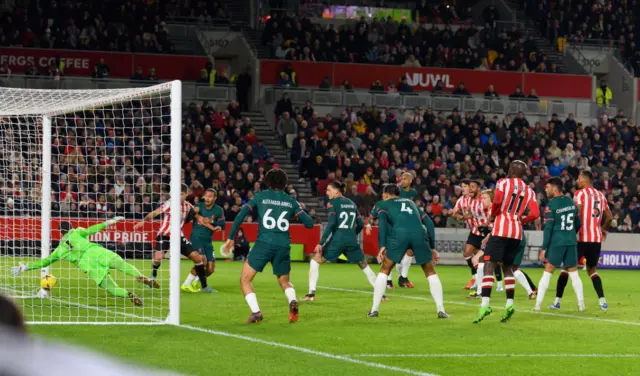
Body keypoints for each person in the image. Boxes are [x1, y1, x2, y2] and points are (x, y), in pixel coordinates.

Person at [224, 168, 314, 323]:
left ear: (268, 182)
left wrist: (231, 237)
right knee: (284, 282)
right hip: (283, 245)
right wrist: (295, 211)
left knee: (245, 279)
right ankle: (292, 301)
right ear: (285, 183)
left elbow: (241, 214)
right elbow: (309, 223)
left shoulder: (260, 196)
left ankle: (256, 313)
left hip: (263, 244)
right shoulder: (290, 201)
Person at [11, 217, 154, 306]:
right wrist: (108, 222)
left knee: (110, 287)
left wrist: (26, 267)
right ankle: (139, 276)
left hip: (86, 264)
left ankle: (128, 294)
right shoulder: (77, 232)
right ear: (71, 228)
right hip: (95, 251)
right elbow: (92, 230)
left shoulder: (60, 249)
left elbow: (45, 262)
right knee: (120, 264)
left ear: (61, 233)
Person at [367, 184, 449, 319]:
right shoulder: (411, 203)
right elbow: (428, 222)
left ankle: (374, 310)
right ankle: (441, 310)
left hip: (399, 234)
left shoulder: (383, 204)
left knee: (385, 269)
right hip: (419, 234)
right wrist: (433, 247)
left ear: (386, 194)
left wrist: (382, 245)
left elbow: (381, 224)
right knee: (430, 271)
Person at [473, 160, 539, 323]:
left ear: (511, 170)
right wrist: (521, 220)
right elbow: (535, 213)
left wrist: (493, 215)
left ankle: (485, 305)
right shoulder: (529, 190)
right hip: (516, 232)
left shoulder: (503, 182)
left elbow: (497, 202)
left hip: (501, 229)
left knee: (489, 264)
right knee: (508, 268)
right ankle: (509, 304)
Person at [303, 181, 387, 302]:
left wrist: (321, 242)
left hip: (338, 239)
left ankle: (311, 294)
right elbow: (360, 224)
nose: (326, 193)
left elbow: (331, 224)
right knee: (364, 265)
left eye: (328, 190)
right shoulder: (351, 203)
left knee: (315, 261)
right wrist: (352, 234)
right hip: (351, 240)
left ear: (336, 191)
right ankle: (382, 295)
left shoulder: (332, 203)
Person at [134, 184, 214, 293]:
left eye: (181, 194)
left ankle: (204, 287)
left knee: (198, 259)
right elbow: (156, 212)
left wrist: (208, 222)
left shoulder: (188, 206)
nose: (179, 196)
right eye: (178, 194)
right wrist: (144, 220)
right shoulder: (170, 203)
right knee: (158, 257)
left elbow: (198, 217)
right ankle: (153, 276)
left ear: (186, 194)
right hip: (165, 234)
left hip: (178, 237)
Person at [550, 171, 612, 311]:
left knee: (566, 268)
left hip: (581, 238)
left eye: (578, 178)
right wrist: (603, 230)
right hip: (596, 239)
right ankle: (602, 302)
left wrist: (571, 230)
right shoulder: (601, 195)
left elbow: (576, 212)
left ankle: (557, 301)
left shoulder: (580, 193)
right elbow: (609, 218)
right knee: (592, 270)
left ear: (585, 181)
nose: (577, 180)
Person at [472, 190, 538, 300]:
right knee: (512, 268)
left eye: (484, 198)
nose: (482, 201)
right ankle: (530, 292)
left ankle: (482, 293)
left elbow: (500, 228)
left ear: (492, 198)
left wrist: (487, 237)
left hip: (507, 237)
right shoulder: (499, 208)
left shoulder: (495, 209)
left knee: (484, 261)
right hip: (517, 236)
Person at [534, 177, 585, 312]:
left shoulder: (551, 205)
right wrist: (570, 233)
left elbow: (548, 228)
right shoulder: (571, 202)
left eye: (547, 187)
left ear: (554, 188)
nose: (546, 189)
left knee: (548, 272)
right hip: (570, 242)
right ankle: (581, 305)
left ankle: (537, 305)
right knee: (574, 274)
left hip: (557, 242)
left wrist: (544, 248)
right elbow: (578, 223)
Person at [182, 188, 226, 292]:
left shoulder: (218, 210)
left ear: (214, 198)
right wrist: (192, 212)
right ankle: (186, 284)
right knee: (201, 260)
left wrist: (213, 222)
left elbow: (222, 225)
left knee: (210, 269)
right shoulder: (198, 207)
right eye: (206, 196)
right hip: (196, 237)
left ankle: (195, 282)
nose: (207, 198)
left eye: (210, 196)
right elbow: (187, 219)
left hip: (208, 241)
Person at [396, 172, 419, 288]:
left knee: (410, 251)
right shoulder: (396, 191)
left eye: (405, 179)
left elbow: (416, 208)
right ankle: (390, 279)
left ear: (410, 181)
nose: (402, 180)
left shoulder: (413, 193)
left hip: (409, 224)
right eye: (402, 178)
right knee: (396, 253)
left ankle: (403, 277)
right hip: (397, 224)